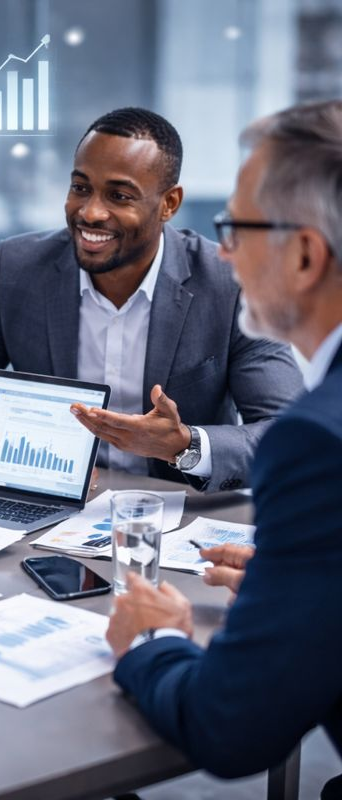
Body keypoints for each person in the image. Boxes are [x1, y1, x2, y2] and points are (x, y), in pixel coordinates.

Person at [106, 99, 342, 788]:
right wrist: (297, 581)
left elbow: (231, 727)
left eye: (236, 227)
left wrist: (152, 637)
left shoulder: (316, 443)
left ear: (305, 255)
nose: (224, 252)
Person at [0, 108, 303, 493]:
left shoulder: (229, 285)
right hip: (50, 508)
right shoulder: (18, 269)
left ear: (169, 204)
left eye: (119, 195)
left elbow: (287, 434)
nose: (90, 212)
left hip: (174, 510)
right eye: (80, 188)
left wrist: (184, 445)